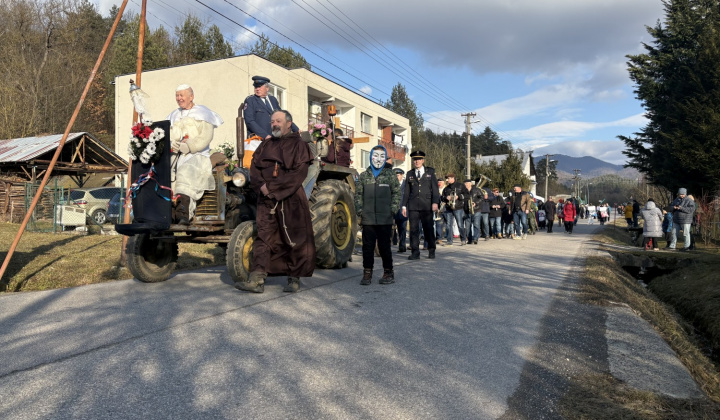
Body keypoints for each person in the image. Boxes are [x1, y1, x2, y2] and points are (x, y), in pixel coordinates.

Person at [236, 110, 315, 293]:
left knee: (292, 237)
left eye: (278, 121)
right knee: (263, 237)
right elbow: (254, 169)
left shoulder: (299, 144)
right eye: (272, 121)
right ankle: (256, 279)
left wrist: (273, 189)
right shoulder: (265, 145)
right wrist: (262, 187)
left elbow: (299, 173)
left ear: (289, 123)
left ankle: (293, 278)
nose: (274, 124)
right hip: (266, 199)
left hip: (291, 198)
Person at [167, 84, 224, 224]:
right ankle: (168, 213)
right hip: (176, 155)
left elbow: (205, 137)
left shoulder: (202, 113)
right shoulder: (174, 115)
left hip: (197, 155)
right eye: (177, 95)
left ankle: (183, 214)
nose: (179, 98)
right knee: (165, 173)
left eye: (182, 95)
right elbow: (168, 135)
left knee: (186, 172)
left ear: (191, 97)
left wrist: (189, 146)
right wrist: (172, 144)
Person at [355, 146, 401, 285]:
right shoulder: (364, 176)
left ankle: (388, 272)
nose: (379, 159)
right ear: (370, 157)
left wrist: (392, 210)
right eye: (376, 156)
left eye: (382, 156)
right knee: (367, 247)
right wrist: (360, 211)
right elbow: (358, 195)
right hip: (368, 219)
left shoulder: (390, 175)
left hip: (385, 219)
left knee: (384, 247)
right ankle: (367, 273)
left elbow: (397, 194)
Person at [401, 150, 440, 260]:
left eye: (419, 159)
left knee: (428, 229)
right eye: (415, 159)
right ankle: (415, 252)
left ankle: (431, 250)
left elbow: (435, 189)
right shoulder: (410, 174)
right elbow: (407, 192)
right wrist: (404, 206)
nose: (417, 161)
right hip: (413, 206)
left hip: (426, 205)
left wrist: (435, 202)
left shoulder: (430, 172)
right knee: (413, 230)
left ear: (423, 160)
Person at [441, 174, 468, 245]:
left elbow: (467, 194)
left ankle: (463, 239)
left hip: (458, 207)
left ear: (453, 178)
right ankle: (449, 241)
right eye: (447, 179)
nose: (447, 180)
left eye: (448, 178)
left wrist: (458, 196)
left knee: (460, 224)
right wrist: (446, 198)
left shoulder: (460, 185)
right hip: (448, 208)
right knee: (448, 225)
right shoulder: (446, 188)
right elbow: (442, 197)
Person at [464, 179, 484, 244]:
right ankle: (469, 239)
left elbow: (482, 197)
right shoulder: (463, 191)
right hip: (467, 210)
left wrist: (475, 203)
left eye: (467, 183)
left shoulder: (476, 190)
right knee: (467, 226)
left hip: (476, 210)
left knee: (476, 225)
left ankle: (475, 239)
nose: (465, 184)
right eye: (465, 183)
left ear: (470, 184)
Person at [393, 168, 408, 253]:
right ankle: (396, 243)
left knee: (403, 227)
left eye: (398, 175)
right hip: (395, 209)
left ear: (402, 175)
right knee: (396, 227)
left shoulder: (406, 185)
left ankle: (402, 246)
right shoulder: (393, 185)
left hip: (403, 209)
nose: (396, 177)